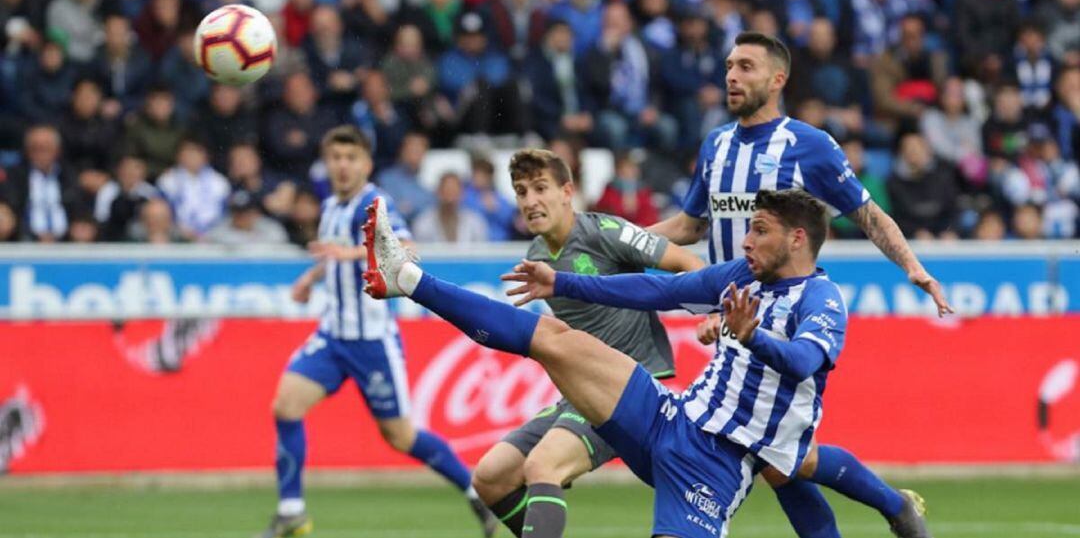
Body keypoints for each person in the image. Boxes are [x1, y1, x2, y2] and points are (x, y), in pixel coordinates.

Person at [364, 188, 922, 538]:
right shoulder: (741, 277)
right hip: (669, 417)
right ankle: (408, 279)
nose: (746, 239)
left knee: (798, 466)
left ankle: (899, 511)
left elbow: (803, 362)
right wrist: (563, 280)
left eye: (760, 229)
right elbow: (658, 289)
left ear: (798, 239)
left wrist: (756, 339)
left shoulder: (821, 302)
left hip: (714, 466)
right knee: (555, 339)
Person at [648, 32, 944, 538]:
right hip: (732, 319)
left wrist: (912, 266)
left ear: (777, 80)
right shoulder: (716, 145)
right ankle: (895, 507)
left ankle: (894, 506)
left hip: (781, 319)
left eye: (745, 67)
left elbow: (869, 215)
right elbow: (691, 225)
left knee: (779, 455)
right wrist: (618, 241)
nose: (732, 77)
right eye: (729, 67)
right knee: (780, 460)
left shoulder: (809, 146)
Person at [258, 126, 496, 538]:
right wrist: (312, 276)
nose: (343, 165)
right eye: (336, 157)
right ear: (327, 162)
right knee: (285, 406)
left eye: (351, 158)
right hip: (333, 336)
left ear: (366, 164)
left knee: (401, 437)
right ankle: (292, 512)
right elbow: (337, 253)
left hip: (373, 342)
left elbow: (406, 249)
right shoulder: (332, 204)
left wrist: (346, 253)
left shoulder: (374, 203)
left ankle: (475, 491)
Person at [469, 148, 705, 538]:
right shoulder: (537, 255)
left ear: (567, 191)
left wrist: (711, 311)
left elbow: (689, 264)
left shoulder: (604, 232)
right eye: (521, 191)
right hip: (583, 390)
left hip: (629, 386)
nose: (530, 201)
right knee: (490, 477)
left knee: (542, 466)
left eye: (540, 188)